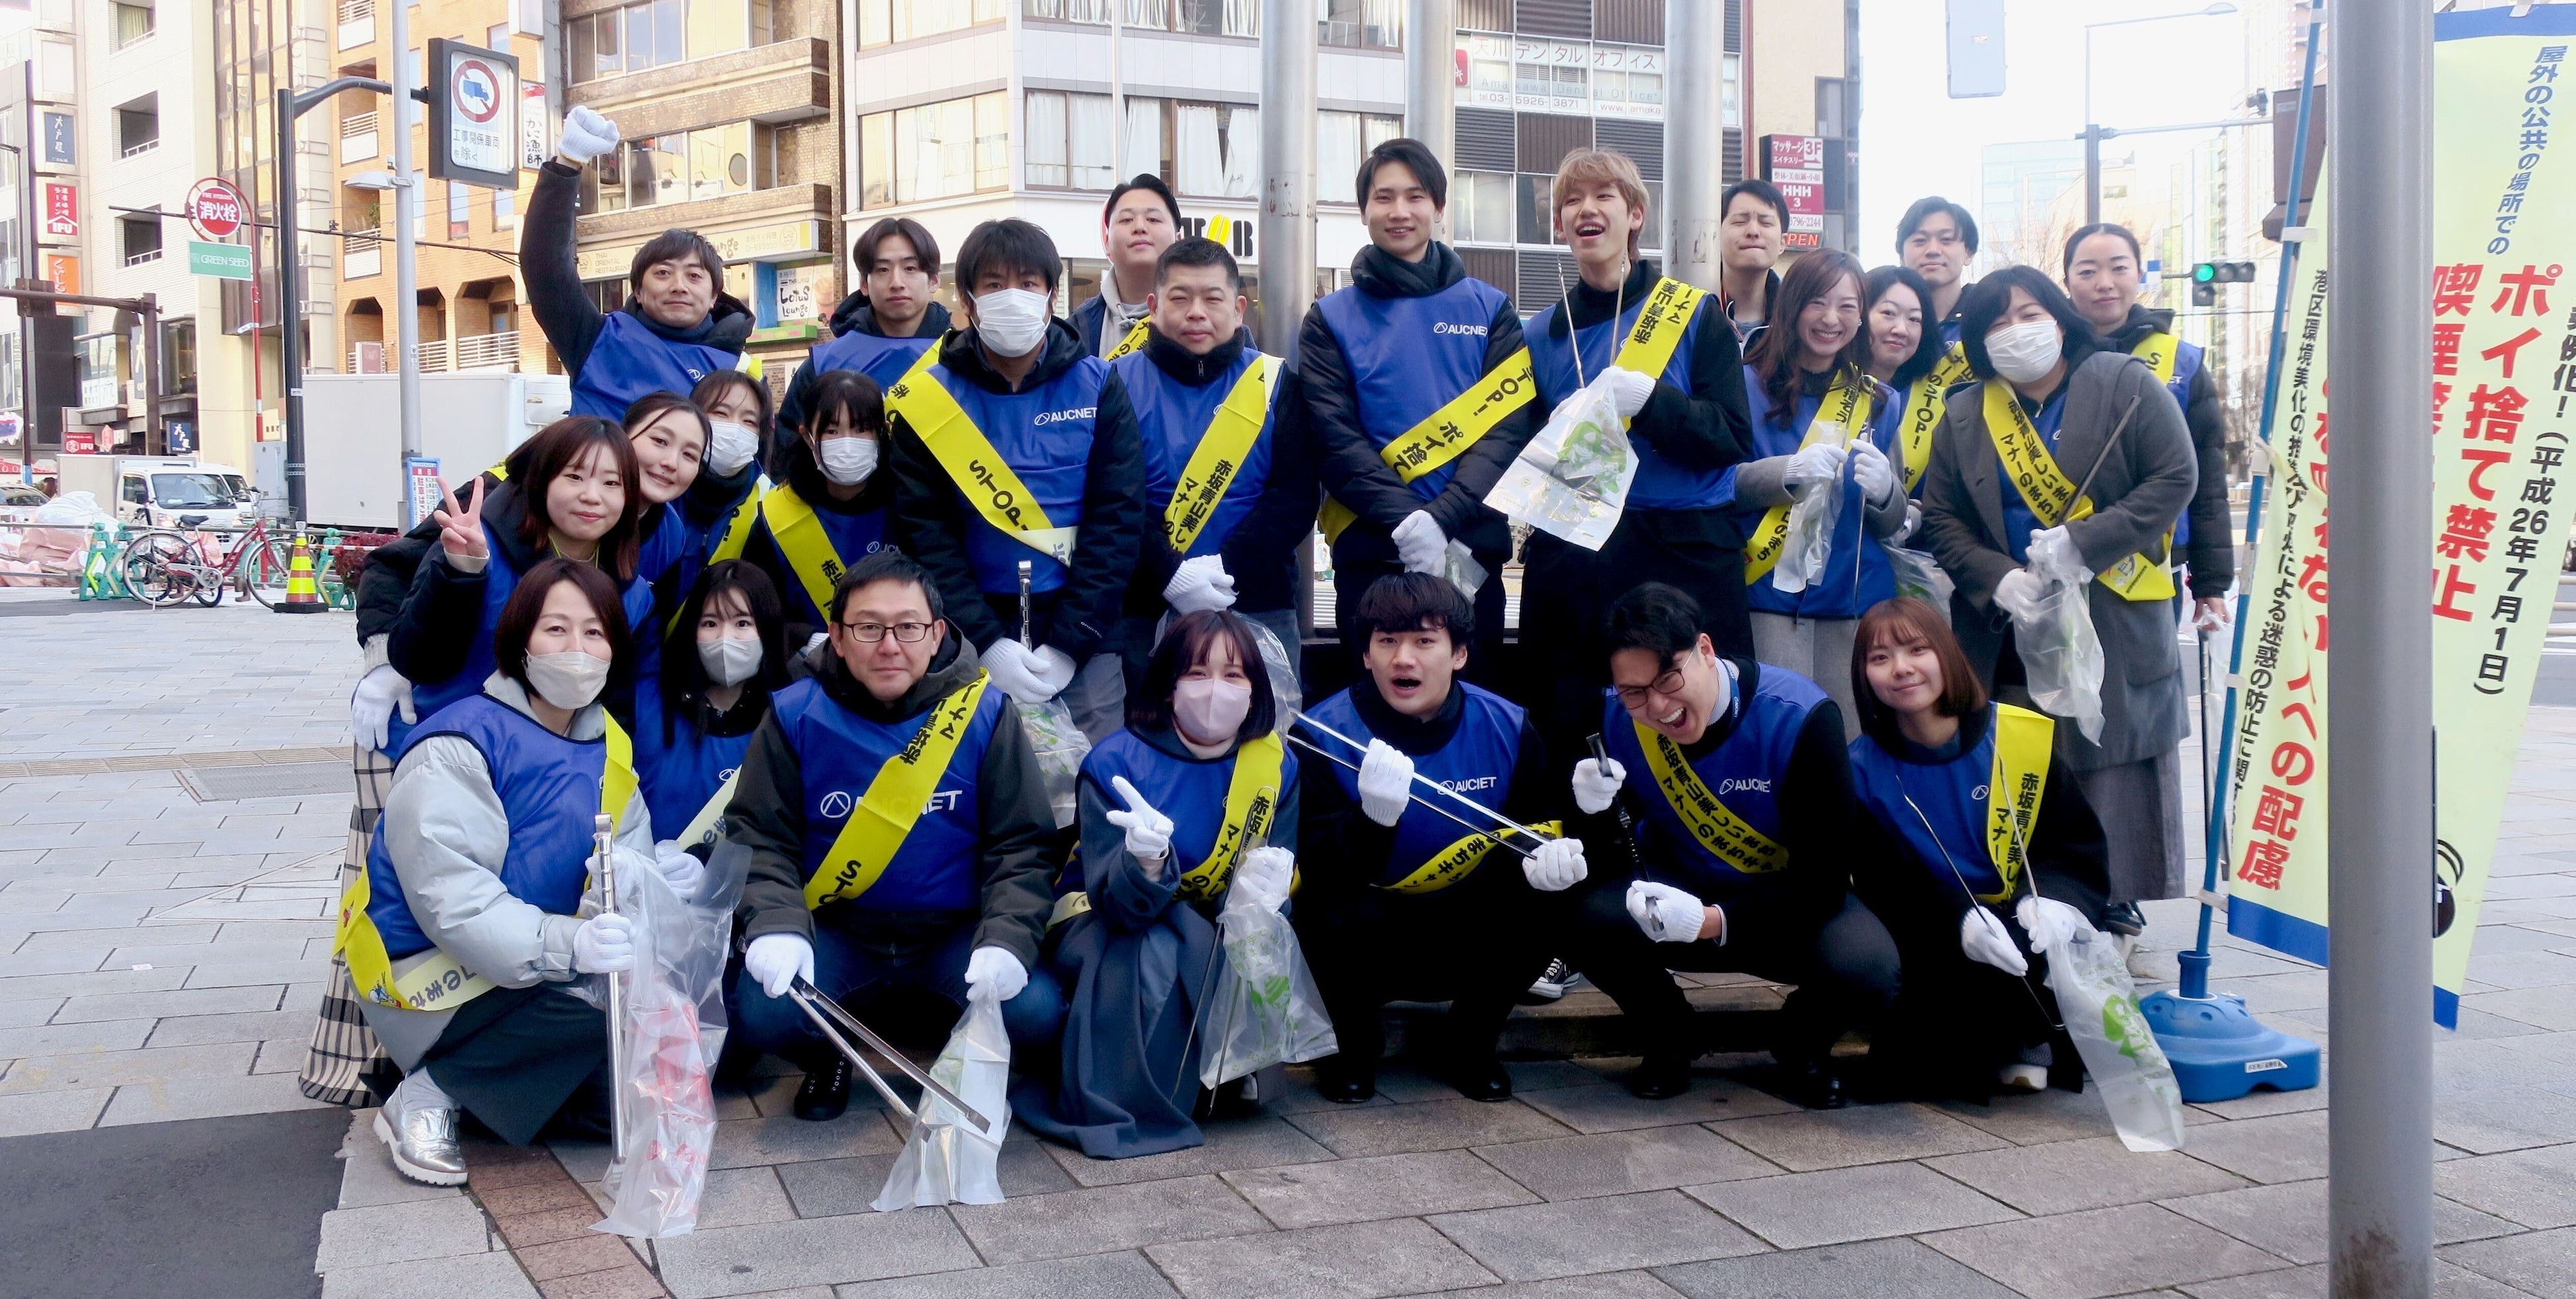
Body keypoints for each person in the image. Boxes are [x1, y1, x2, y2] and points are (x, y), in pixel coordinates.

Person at [346, 559, 697, 1184]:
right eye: (555, 629)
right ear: (519, 640)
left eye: (594, 632)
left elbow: (626, 861)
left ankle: (498, 1085)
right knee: (592, 1024)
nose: (577, 649)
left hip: (536, 966)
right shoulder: (460, 743)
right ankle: (426, 1092)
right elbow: (455, 903)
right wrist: (572, 944)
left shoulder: (607, 743)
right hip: (435, 975)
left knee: (644, 1073)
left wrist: (645, 890)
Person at [726, 549, 1068, 1120]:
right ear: (837, 636)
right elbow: (761, 837)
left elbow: (1022, 845)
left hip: (953, 933)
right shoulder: (794, 715)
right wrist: (778, 925)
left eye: (908, 627)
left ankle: (959, 1048)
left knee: (1035, 1010)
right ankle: (832, 1052)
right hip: (840, 930)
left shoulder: (984, 713)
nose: (889, 645)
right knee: (764, 1010)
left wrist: (1006, 938)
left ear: (936, 634)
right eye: (868, 627)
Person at [1915, 266, 2198, 938]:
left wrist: (2084, 543)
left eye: (2029, 314)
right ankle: (2028, 898)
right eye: (1997, 322)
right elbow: (1942, 516)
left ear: (2060, 318)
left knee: (2110, 758)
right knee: (2023, 757)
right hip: (2009, 626)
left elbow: (2175, 475)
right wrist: (1995, 577)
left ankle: (2113, 900)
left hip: (2112, 612)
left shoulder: (2123, 382)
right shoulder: (1966, 411)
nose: (2016, 331)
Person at [1564, 583, 1898, 1106]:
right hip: (1677, 885)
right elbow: (1605, 857)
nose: (1658, 705)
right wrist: (1591, 810)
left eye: (1668, 678)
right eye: (1634, 691)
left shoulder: (1800, 715)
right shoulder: (1613, 717)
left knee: (1867, 965)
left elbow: (1824, 881)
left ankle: (1800, 1046)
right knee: (1582, 913)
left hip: (1788, 906)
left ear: (1705, 648)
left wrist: (1711, 921)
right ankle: (1670, 1036)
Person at [1291, 573, 1587, 1104]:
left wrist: (1556, 856)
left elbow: (1537, 829)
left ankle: (1470, 1043)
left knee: (1553, 893)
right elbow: (1318, 873)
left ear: (1460, 654)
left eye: (1425, 641)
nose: (1403, 658)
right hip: (1365, 934)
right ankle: (1352, 1047)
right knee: (1319, 909)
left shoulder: (1507, 725)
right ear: (1366, 655)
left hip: (1465, 927)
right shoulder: (1320, 735)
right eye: (1387, 641)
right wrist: (1372, 820)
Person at [1018, 610, 1302, 1158]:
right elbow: (1114, 902)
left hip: (1211, 916)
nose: (1215, 690)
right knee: (1158, 946)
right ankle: (1140, 1093)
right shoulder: (1115, 761)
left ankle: (1215, 1074)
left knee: (1214, 941)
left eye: (1234, 675)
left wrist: (1268, 893)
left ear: (1255, 691)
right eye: (1197, 673)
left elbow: (1282, 868)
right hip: (1104, 915)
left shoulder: (1277, 765)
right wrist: (1145, 866)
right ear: (1169, 685)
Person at [1521, 147, 1754, 766]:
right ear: (1559, 225)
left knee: (1699, 724)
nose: (1586, 210)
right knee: (1575, 726)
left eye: (1604, 196)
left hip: (1683, 550)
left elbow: (1732, 436)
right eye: (1572, 201)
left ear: (1636, 215)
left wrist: (1653, 404)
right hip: (1578, 555)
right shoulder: (1539, 334)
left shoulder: (1694, 312)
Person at [888, 218, 1147, 744]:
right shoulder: (926, 399)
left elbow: (1117, 520)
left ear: (1051, 297)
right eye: (994, 284)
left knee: (1094, 780)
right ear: (968, 299)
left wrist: (1072, 642)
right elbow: (924, 533)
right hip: (963, 638)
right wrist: (985, 641)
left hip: (1087, 640)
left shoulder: (1099, 385)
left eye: (1028, 283)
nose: (1012, 296)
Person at [1844, 596, 2108, 1099]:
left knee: (2041, 945)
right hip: (1933, 930)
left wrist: (2049, 902)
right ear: (1864, 676)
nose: (1901, 668)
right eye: (1880, 658)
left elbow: (2072, 842)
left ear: (1947, 654)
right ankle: (2009, 1037)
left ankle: (2029, 1035)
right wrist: (1960, 920)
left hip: (2024, 923)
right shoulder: (1859, 770)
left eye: (1917, 649)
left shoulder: (2018, 736)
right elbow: (1882, 881)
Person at [1301, 138, 1536, 672]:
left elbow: (1505, 432)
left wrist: (1442, 518)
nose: (1400, 211)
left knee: (1473, 708)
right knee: (1373, 709)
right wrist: (1411, 521)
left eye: (1415, 196)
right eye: (1384, 197)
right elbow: (1334, 440)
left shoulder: (1491, 309)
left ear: (1439, 206)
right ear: (1364, 210)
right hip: (1371, 556)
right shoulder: (1329, 318)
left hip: (1470, 554)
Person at [365, 418, 657, 757]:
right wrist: (461, 573)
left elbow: (615, 705)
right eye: (575, 477)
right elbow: (420, 662)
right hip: (439, 750)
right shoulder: (477, 546)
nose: (592, 496)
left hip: (544, 768)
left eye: (612, 483)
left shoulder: (633, 594)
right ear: (543, 479)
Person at [1110, 236, 1318, 698]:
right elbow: (1112, 500)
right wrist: (1171, 575)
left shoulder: (1276, 382)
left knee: (1266, 735)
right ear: (1153, 307)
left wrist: (1228, 566)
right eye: (1180, 298)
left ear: (1239, 309)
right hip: (1144, 607)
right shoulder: (1114, 383)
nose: (1196, 313)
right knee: (1151, 734)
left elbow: (1296, 497)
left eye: (1212, 299)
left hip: (1259, 603)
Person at [1732, 249, 1909, 737]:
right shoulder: (1743, 385)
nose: (1832, 319)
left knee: (1851, 744)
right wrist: (1785, 472)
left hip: (1854, 601)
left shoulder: (1878, 400)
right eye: (1818, 303)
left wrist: (1886, 493)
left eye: (1848, 306)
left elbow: (1894, 519)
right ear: (1791, 306)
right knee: (1778, 740)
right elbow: (1718, 484)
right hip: (1767, 594)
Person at [527, 106, 757, 419]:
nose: (679, 286)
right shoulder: (596, 339)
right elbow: (545, 267)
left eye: (694, 276)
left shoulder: (739, 368)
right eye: (663, 273)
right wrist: (568, 164)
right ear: (638, 290)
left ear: (715, 295)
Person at [2063, 223, 2233, 631]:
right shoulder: (2046, 360)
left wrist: (2210, 581)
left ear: (2139, 274)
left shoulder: (2181, 362)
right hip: (2061, 553)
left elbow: (2208, 476)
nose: (2104, 283)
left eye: (2119, 268)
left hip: (2152, 561)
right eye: (2087, 271)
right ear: (2066, 281)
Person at [635, 559, 792, 849]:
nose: (724, 639)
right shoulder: (648, 700)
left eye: (743, 623)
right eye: (710, 623)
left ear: (768, 629)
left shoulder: (786, 721)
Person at [741, 370, 895, 649]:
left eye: (861, 429)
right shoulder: (777, 514)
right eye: (832, 431)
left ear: (882, 432)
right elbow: (755, 609)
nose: (847, 443)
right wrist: (805, 638)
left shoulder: (909, 504)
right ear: (808, 436)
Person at [777, 217, 952, 440]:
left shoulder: (961, 357)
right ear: (864, 284)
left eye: (910, 268)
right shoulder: (825, 364)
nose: (896, 282)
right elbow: (788, 443)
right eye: (882, 270)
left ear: (934, 280)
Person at [1863, 264, 1972, 503]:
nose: (1901, 329)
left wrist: (1905, 513)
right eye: (1888, 313)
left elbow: (1942, 504)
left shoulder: (1942, 409)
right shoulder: (1826, 387)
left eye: (1914, 319)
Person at [1074, 175, 1183, 358]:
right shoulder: (1075, 330)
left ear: (1178, 240)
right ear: (1107, 242)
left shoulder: (1209, 321)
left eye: (1153, 219)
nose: (1139, 227)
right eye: (1126, 220)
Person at [1897, 197, 1980, 346]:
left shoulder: (1988, 318)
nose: (1933, 250)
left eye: (1946, 239)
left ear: (1969, 253)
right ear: (1902, 256)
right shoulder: (1885, 326)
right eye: (1920, 240)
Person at [1717, 178, 1790, 350]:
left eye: (1766, 223)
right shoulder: (1692, 307)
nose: (1753, 231)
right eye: (1740, 222)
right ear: (1716, 235)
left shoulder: (1795, 316)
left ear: (1783, 243)